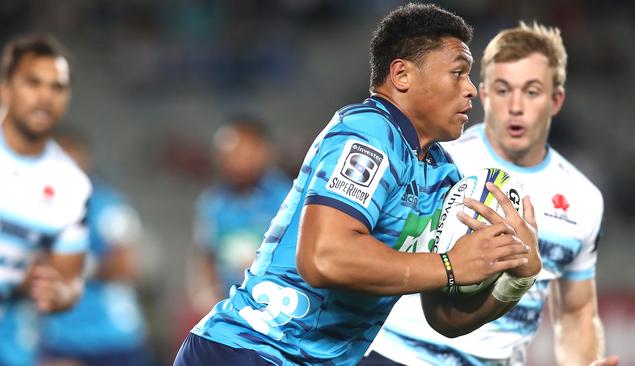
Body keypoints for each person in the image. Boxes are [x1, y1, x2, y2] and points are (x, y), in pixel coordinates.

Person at [174, 4, 541, 366]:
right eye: (458, 73)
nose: (471, 90)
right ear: (402, 75)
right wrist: (449, 265)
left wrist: (515, 277)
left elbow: (444, 317)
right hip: (254, 348)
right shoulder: (369, 133)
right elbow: (323, 257)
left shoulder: (445, 176)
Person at [365, 22, 619, 366]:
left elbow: (576, 311)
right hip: (396, 355)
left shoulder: (583, 199)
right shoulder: (441, 160)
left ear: (556, 100)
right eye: (502, 90)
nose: (515, 106)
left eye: (531, 91)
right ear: (483, 95)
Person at [0, 34, 91, 365]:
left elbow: (70, 281)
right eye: (33, 82)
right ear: (5, 88)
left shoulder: (71, 186)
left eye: (57, 87)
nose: (45, 96)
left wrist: (57, 293)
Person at [38, 130, 152, 366]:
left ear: (85, 162)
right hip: (62, 335)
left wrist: (79, 266)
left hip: (113, 334)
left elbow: (128, 265)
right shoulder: (38, 210)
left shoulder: (110, 206)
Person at [189, 118, 292, 315]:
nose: (233, 161)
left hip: (279, 312)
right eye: (226, 155)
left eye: (241, 153)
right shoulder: (213, 204)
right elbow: (206, 256)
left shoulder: (288, 198)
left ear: (264, 151)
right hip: (232, 314)